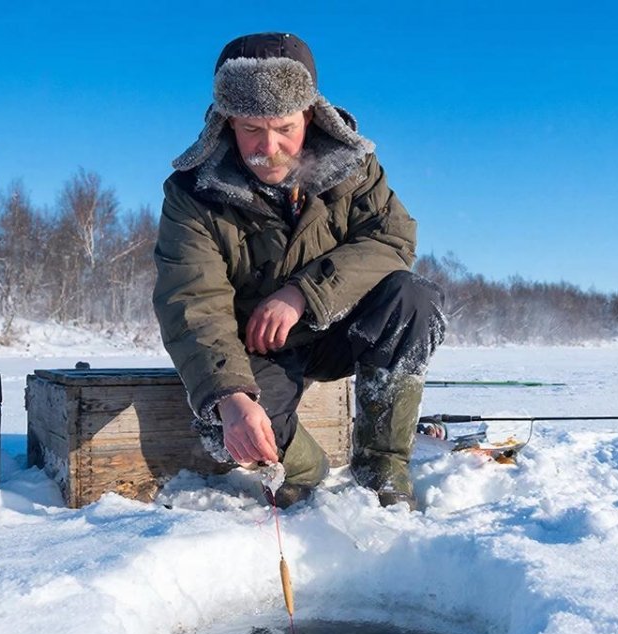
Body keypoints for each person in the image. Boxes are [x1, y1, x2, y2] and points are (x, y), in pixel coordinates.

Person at [153, 32, 445, 510]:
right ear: (227, 123)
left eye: (285, 127)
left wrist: (303, 294)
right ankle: (310, 470)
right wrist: (230, 398)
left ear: (309, 115)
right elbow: (192, 302)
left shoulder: (353, 166)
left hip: (335, 329)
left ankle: (383, 468)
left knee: (412, 298)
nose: (269, 147)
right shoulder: (193, 193)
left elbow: (393, 240)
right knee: (223, 423)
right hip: (256, 350)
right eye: (250, 129)